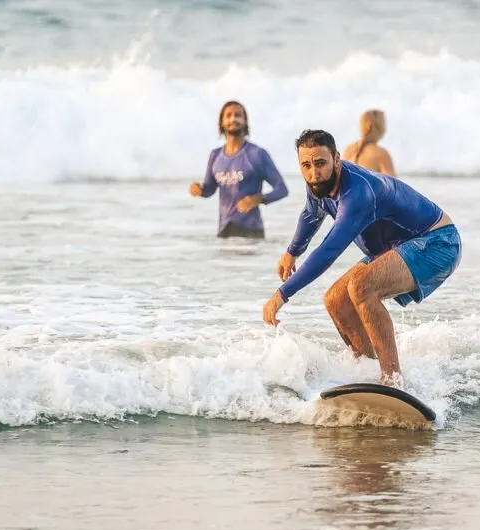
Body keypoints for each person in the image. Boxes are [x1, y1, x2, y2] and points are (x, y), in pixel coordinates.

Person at [262, 129, 461, 386]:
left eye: (320, 163)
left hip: (438, 242)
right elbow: (311, 214)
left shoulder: (358, 193)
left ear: (336, 159)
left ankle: (392, 381)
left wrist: (283, 293)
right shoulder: (318, 184)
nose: (313, 173)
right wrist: (292, 251)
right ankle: (366, 373)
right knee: (336, 300)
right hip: (396, 247)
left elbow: (330, 249)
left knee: (361, 288)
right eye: (306, 165)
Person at [189, 100, 288, 239]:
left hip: (251, 232)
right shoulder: (215, 155)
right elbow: (209, 189)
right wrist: (199, 189)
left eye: (238, 115)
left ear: (245, 121)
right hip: (224, 231)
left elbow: (282, 189)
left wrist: (259, 199)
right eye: (228, 115)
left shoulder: (257, 154)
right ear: (221, 122)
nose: (233, 119)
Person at [342, 109, 396, 177]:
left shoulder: (349, 150)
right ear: (378, 126)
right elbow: (392, 182)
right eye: (384, 123)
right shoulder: (381, 153)